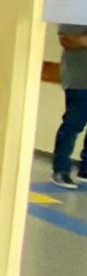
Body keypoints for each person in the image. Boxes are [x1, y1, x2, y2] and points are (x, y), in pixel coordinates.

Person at [51, 22, 87, 188]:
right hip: (79, 81)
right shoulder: (75, 13)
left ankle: (85, 170)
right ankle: (61, 170)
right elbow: (66, 40)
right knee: (73, 125)